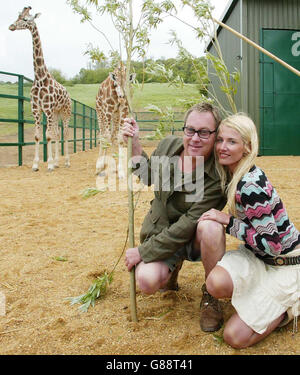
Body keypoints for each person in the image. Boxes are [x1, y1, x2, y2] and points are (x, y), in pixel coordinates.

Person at [122, 102, 227, 332]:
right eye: (190, 130)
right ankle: (172, 267)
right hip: (162, 231)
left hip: (194, 237)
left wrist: (143, 252)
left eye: (204, 132)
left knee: (210, 227)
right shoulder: (168, 146)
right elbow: (147, 175)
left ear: (215, 134)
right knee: (147, 282)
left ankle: (211, 296)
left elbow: (188, 225)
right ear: (184, 130)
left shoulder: (217, 176)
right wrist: (135, 142)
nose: (195, 138)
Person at [198, 113, 300, 348]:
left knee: (234, 337)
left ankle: (288, 306)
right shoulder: (238, 171)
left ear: (247, 147)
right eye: (220, 140)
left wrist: (228, 221)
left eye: (231, 142)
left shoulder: (249, 186)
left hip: (284, 262)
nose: (222, 147)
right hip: (259, 256)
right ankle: (259, 298)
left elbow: (273, 245)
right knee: (215, 283)